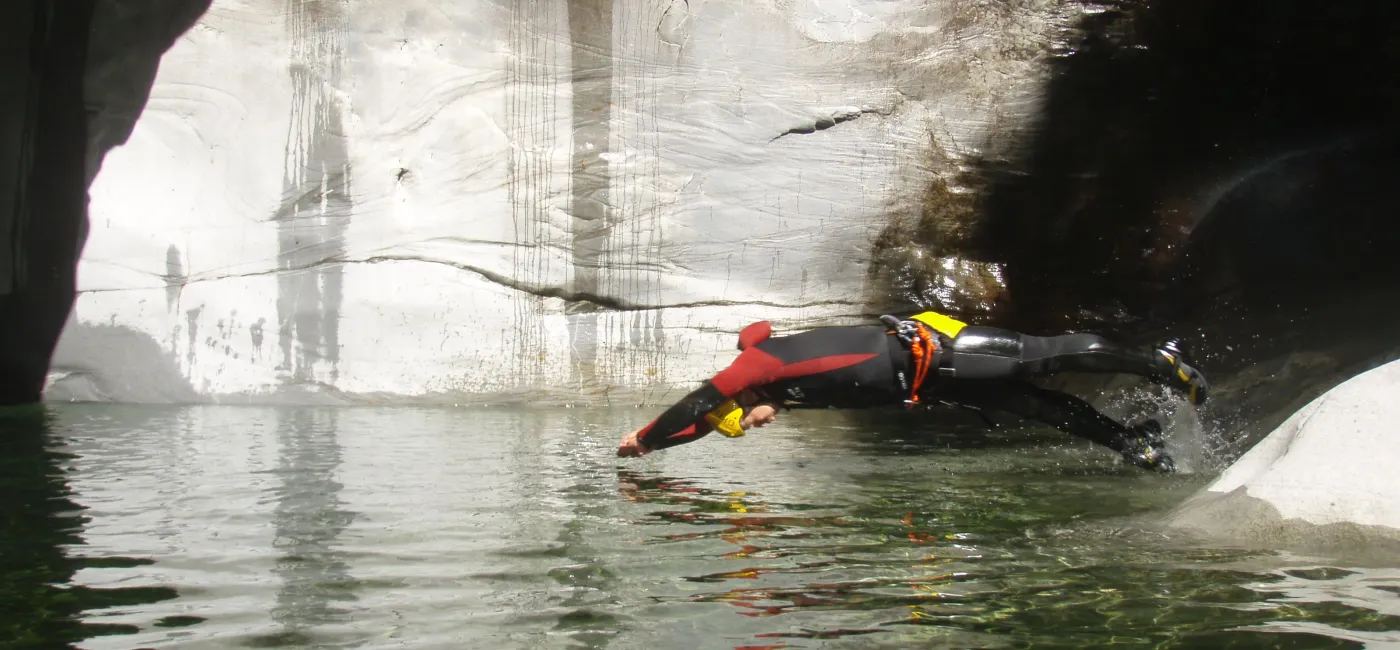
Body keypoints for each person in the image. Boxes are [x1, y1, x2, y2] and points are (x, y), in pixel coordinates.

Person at [615, 312, 1210, 472]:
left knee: (1042, 355)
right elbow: (700, 423)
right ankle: (1133, 445)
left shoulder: (760, 362)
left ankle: (1157, 364)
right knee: (1043, 408)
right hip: (939, 380)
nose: (757, 422)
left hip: (938, 351)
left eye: (746, 416)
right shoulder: (788, 390)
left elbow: (693, 407)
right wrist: (661, 448)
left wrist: (646, 438)